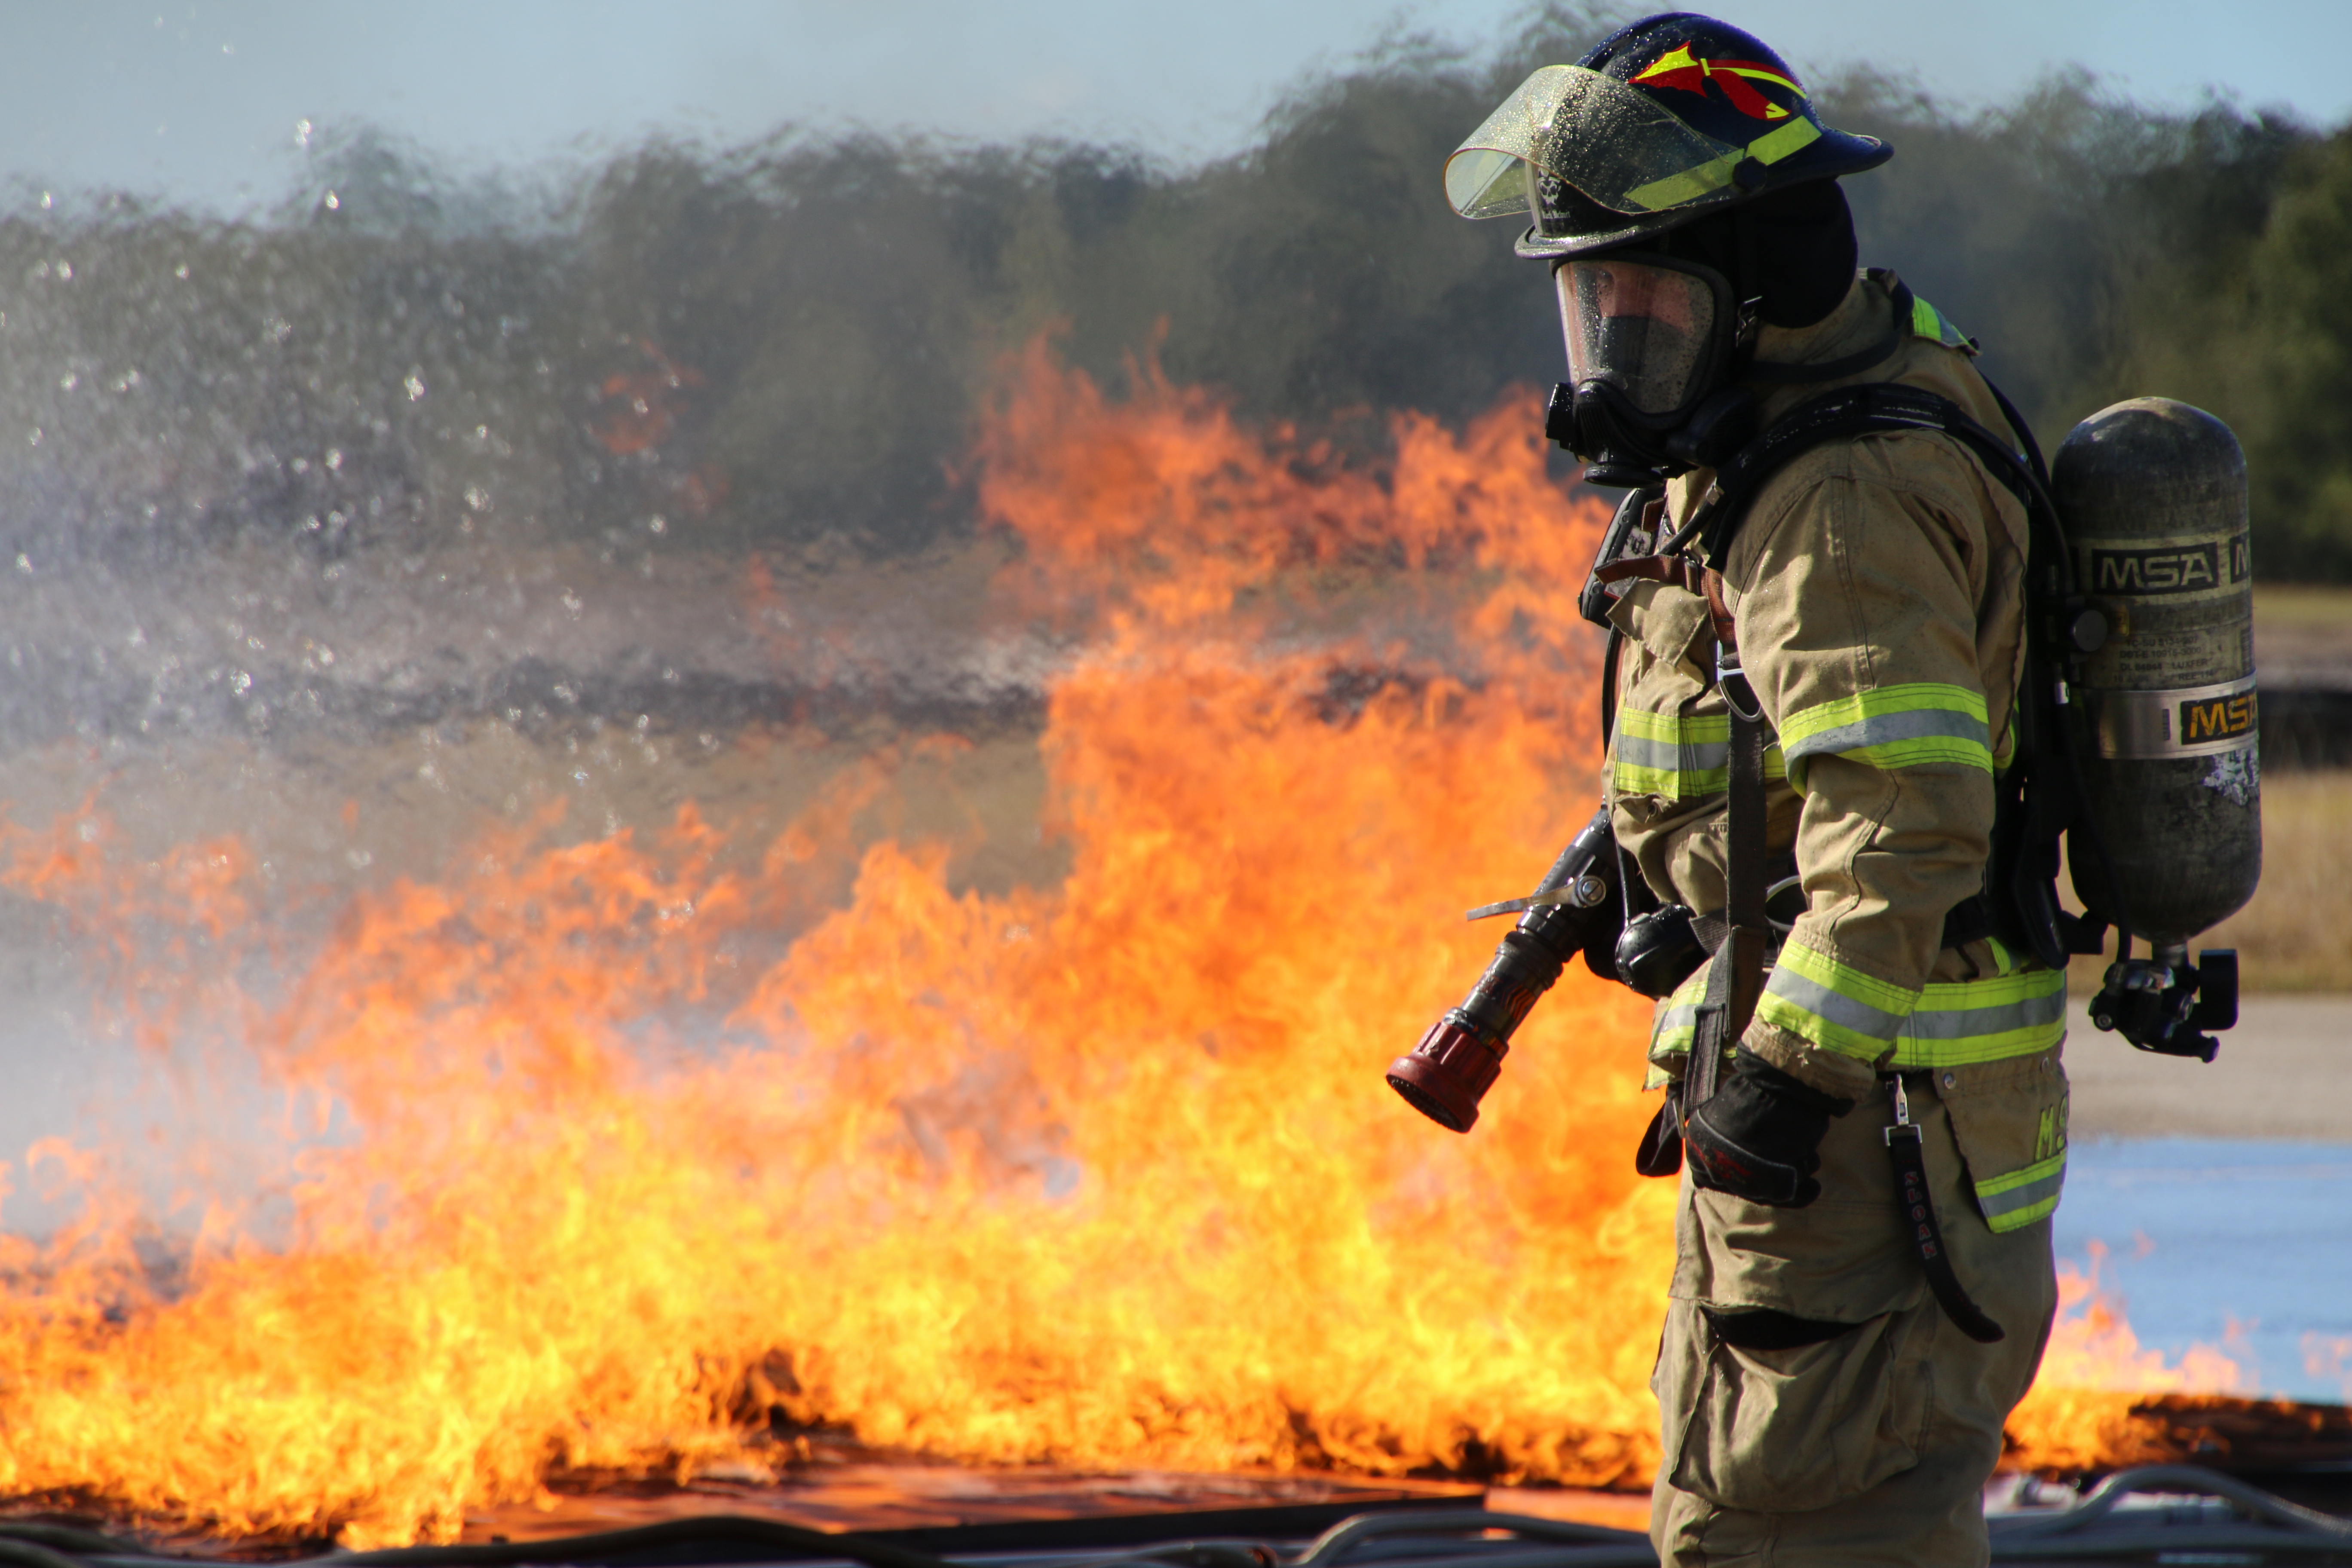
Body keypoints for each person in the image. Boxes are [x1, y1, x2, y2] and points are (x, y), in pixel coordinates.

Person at [1444, 14, 2072, 1565]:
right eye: (1595, 301)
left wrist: (1781, 1077)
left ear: (1767, 274)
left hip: (1865, 1166)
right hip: (1866, 1163)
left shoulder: (1838, 498)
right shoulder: (1767, 435)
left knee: (1778, 1536)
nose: (1614, 345)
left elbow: (1905, 825)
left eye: (1650, 295)